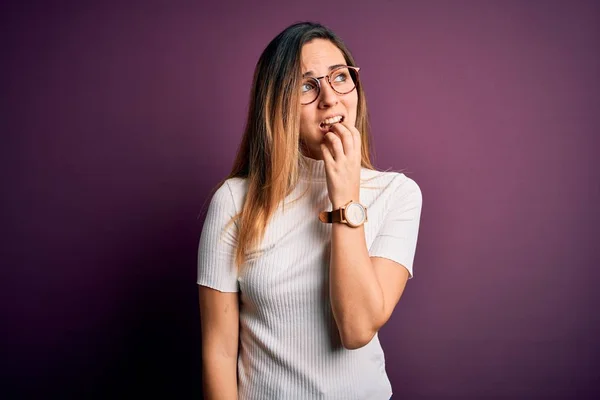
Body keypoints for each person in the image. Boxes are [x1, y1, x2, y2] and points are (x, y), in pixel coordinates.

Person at [197, 21, 422, 400]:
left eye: (339, 77)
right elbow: (218, 353)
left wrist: (345, 197)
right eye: (307, 85)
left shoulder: (398, 195)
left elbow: (356, 329)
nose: (330, 98)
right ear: (276, 104)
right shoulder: (234, 201)